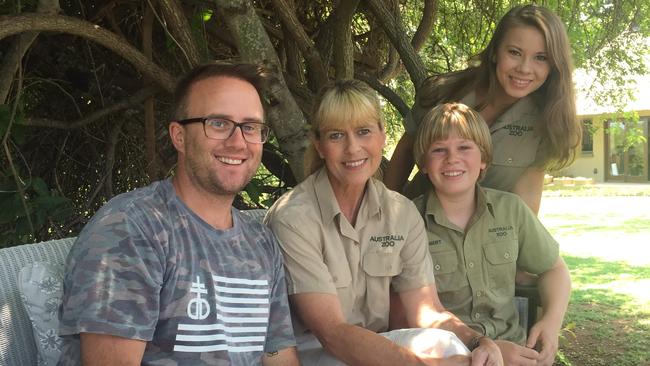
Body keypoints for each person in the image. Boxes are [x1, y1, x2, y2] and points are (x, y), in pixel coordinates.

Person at [58, 63, 299, 365]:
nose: (238, 142)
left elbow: (277, 355)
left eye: (250, 127)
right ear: (179, 136)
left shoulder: (261, 243)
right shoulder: (132, 227)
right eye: (219, 123)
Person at [264, 79, 503, 366]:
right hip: (316, 354)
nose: (353, 149)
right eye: (337, 135)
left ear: (382, 136)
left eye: (364, 132)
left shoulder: (400, 212)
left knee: (448, 345)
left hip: (378, 349)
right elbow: (332, 333)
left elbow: (427, 311)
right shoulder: (294, 217)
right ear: (320, 145)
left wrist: (478, 342)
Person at [410, 102, 571, 366]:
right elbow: (409, 309)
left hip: (516, 352)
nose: (452, 159)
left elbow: (555, 269)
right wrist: (487, 350)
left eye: (464, 147)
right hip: (448, 356)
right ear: (424, 164)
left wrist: (550, 323)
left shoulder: (511, 210)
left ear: (483, 158)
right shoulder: (409, 221)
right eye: (439, 150)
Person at [384, 4, 581, 215]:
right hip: (417, 229)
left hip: (482, 242)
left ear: (553, 65)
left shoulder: (546, 122)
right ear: (495, 52)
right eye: (515, 52)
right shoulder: (444, 93)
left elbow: (525, 209)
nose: (524, 68)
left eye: (541, 57)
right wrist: (386, 220)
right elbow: (405, 153)